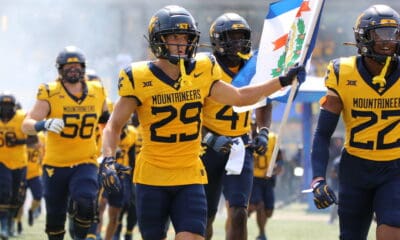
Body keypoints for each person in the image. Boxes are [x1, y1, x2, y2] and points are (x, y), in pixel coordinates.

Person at [100, 5, 304, 240]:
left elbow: (240, 97)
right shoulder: (137, 77)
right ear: (159, 40)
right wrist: (107, 158)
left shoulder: (203, 69)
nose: (182, 43)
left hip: (190, 174)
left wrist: (282, 81)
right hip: (152, 176)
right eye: (175, 37)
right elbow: (114, 126)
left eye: (186, 37)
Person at [310, 4, 400, 240]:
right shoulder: (343, 72)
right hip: (355, 168)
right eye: (380, 34)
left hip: (394, 167)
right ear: (363, 38)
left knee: (391, 232)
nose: (388, 41)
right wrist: (318, 178)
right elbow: (322, 133)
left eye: (393, 34)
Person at [22, 46, 110, 240]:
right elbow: (26, 125)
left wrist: (108, 150)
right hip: (55, 165)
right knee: (54, 219)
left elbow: (107, 122)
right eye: (68, 66)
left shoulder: (98, 90)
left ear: (84, 68)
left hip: (85, 161)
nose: (73, 69)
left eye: (77, 65)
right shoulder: (50, 92)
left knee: (86, 202)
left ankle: (79, 234)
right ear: (60, 69)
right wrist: (44, 123)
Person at [200, 13, 272, 240]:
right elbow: (190, 113)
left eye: (242, 37)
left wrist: (263, 131)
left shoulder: (252, 67)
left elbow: (264, 100)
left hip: (239, 145)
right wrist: (209, 138)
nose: (238, 43)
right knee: (206, 215)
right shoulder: (204, 66)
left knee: (239, 212)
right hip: (206, 148)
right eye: (231, 37)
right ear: (217, 40)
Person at [0, 92, 28, 239]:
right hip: (1, 161)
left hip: (19, 162)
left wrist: (17, 142)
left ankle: (10, 222)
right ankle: (3, 224)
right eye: (2, 105)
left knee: (16, 196)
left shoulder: (22, 118)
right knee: (4, 192)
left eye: (8, 105)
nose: (5, 109)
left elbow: (32, 140)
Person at [247, 126, 283, 240]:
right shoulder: (247, 138)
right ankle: (262, 234)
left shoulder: (272, 138)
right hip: (254, 178)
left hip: (268, 179)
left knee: (269, 211)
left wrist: (278, 167)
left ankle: (245, 211)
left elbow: (279, 157)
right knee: (259, 205)